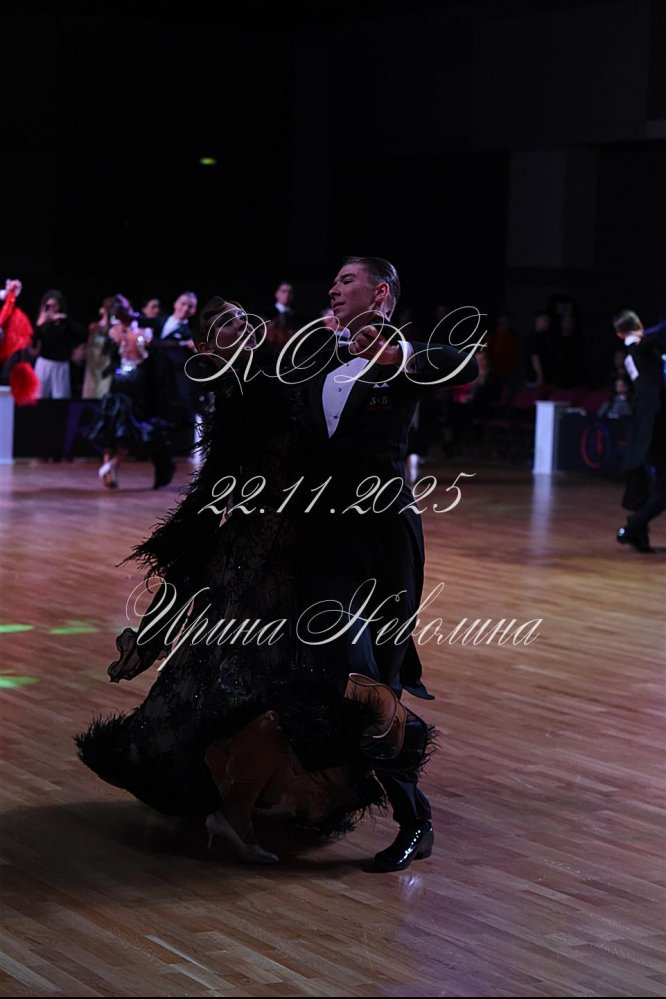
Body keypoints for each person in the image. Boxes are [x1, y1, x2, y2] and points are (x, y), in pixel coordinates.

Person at [76, 297, 426, 864]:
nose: (239, 327)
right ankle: (237, 809)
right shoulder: (241, 400)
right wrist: (158, 624)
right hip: (262, 566)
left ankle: (256, 809)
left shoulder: (293, 369)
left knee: (334, 686)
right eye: (223, 325)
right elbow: (208, 506)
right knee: (261, 691)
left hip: (319, 552)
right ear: (205, 347)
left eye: (241, 317)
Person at [295, 256, 480, 872]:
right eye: (332, 281)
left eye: (346, 280)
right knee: (337, 670)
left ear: (380, 294)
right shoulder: (319, 356)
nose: (332, 288)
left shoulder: (401, 360)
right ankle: (325, 792)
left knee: (373, 678)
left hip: (382, 536)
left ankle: (413, 817)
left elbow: (462, 362)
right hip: (323, 534)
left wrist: (395, 353)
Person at [87, 296, 173, 489]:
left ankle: (113, 464)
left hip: (138, 384)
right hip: (119, 382)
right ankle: (110, 468)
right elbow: (108, 354)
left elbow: (149, 354)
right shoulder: (115, 330)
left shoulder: (142, 328)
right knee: (111, 424)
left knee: (129, 427)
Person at [613, 310, 666, 553]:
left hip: (648, 426)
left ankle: (637, 533)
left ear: (618, 334)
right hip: (655, 425)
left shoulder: (636, 352)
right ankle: (633, 526)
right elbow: (657, 333)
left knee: (653, 485)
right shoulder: (640, 348)